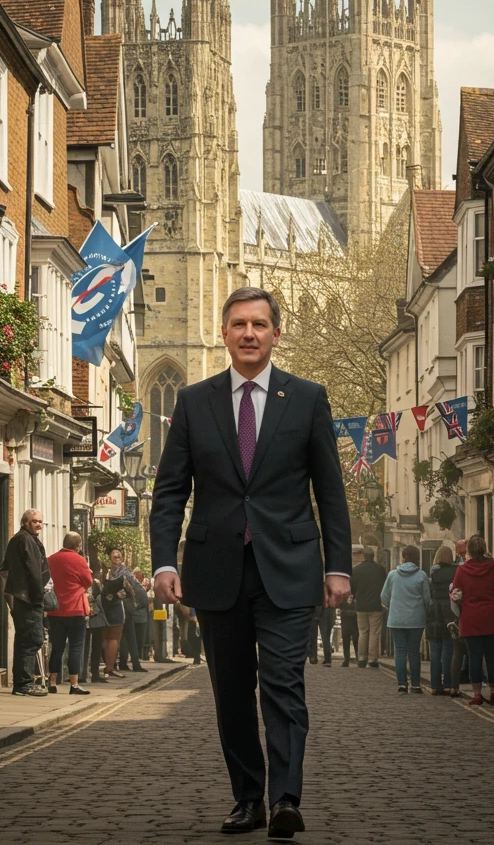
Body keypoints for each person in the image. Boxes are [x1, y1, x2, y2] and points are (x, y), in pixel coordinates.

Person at [151, 287, 352, 839]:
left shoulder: (307, 398)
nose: (248, 334)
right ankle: (248, 799)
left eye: (259, 325)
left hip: (288, 567)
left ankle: (286, 797)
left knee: (284, 682)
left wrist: (339, 566)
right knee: (232, 692)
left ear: (275, 334)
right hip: (216, 571)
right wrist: (164, 563)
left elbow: (330, 491)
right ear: (224, 333)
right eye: (239, 324)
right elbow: (169, 492)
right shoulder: (194, 401)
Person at [451, 535, 494, 706]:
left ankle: (477, 693)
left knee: (474, 656)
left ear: (469, 550)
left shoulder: (462, 570)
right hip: (492, 615)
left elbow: (456, 591)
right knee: (492, 655)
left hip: (471, 617)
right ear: (484, 549)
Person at [0, 509, 51, 697]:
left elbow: (4, 569)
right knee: (32, 639)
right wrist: (38, 596)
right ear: (25, 522)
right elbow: (33, 570)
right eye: (34, 521)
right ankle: (25, 683)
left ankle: (21, 684)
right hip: (28, 598)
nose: (38, 524)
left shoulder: (20, 539)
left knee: (24, 640)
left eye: (40, 522)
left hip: (21, 596)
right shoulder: (26, 540)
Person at [46, 532, 94, 695]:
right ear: (78, 545)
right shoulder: (79, 560)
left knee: (57, 648)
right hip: (75, 611)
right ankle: (74, 685)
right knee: (75, 648)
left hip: (55, 610)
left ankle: (52, 682)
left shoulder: (51, 559)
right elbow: (88, 581)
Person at [380, 545, 431, 694]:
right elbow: (427, 599)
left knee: (400, 650)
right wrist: (425, 611)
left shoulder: (392, 575)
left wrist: (394, 607)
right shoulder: (422, 575)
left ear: (403, 557)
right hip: (416, 618)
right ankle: (416, 685)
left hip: (396, 619)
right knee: (414, 651)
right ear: (417, 557)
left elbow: (384, 596)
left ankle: (402, 684)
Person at [427, 545, 457, 695]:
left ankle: (435, 685)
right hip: (450, 612)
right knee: (448, 649)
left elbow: (429, 596)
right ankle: (448, 683)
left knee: (435, 651)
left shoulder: (433, 573)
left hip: (435, 614)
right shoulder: (456, 572)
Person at [111, 548, 146, 673]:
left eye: (118, 557)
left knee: (130, 637)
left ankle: (135, 664)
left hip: (125, 608)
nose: (116, 559)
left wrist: (135, 602)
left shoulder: (124, 573)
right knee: (120, 638)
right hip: (115, 608)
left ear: (122, 559)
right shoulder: (110, 572)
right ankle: (122, 664)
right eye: (114, 557)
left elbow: (135, 589)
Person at [351, 548, 387, 669]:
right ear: (374, 556)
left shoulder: (356, 570)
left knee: (363, 632)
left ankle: (361, 658)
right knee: (374, 632)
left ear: (363, 556)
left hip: (361, 605)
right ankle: (372, 659)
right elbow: (385, 587)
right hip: (376, 605)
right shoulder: (380, 570)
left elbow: (352, 588)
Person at [99, 556, 127, 678]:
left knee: (105, 638)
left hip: (103, 607)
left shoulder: (103, 574)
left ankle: (108, 666)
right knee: (114, 638)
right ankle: (109, 668)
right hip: (114, 608)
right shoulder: (121, 575)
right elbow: (127, 592)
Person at [81, 556, 108, 684]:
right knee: (85, 646)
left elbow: (98, 596)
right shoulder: (88, 580)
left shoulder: (93, 581)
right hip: (85, 615)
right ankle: (84, 674)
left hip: (93, 617)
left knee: (94, 646)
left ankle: (92, 673)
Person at [448, 539, 469, 697]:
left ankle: (455, 685)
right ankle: (456, 685)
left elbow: (454, 592)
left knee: (460, 651)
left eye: (461, 551)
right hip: (469, 615)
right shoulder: (491, 565)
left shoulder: (462, 569)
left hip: (463, 615)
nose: (459, 554)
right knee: (466, 651)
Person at [132, 568, 151, 662]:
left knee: (134, 638)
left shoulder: (129, 587)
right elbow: (145, 604)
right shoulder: (141, 589)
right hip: (140, 618)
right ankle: (137, 656)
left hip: (134, 617)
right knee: (139, 638)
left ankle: (135, 656)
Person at [339, 592, 358, 667]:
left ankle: (357, 658)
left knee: (356, 642)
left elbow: (343, 612)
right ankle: (346, 659)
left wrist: (346, 612)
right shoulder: (343, 601)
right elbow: (341, 612)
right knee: (346, 643)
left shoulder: (355, 602)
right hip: (347, 626)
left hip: (353, 625)